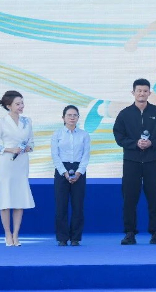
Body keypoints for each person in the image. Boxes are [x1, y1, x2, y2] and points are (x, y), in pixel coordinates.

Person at [113, 78, 156, 245]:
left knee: (155, 198)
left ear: (149, 93)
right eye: (139, 90)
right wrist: (135, 144)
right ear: (133, 92)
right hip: (131, 162)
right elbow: (119, 136)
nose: (142, 93)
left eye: (145, 91)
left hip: (153, 161)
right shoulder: (124, 114)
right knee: (129, 198)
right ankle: (129, 233)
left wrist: (152, 143)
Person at [0, 90, 35, 247]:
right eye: (18, 103)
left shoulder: (27, 121)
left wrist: (27, 148)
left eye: (22, 103)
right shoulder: (1, 122)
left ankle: (16, 234)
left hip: (21, 163)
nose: (21, 106)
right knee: (5, 199)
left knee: (19, 199)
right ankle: (7, 234)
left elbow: (32, 142)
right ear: (9, 106)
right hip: (7, 163)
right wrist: (9, 149)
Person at [51, 104, 91, 246]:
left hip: (79, 169)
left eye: (75, 115)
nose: (72, 117)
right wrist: (64, 172)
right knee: (61, 205)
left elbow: (86, 155)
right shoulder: (57, 134)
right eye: (69, 115)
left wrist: (79, 172)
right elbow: (55, 155)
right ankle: (62, 238)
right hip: (62, 170)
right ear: (63, 117)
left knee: (78, 206)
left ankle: (75, 238)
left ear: (78, 118)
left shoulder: (84, 135)